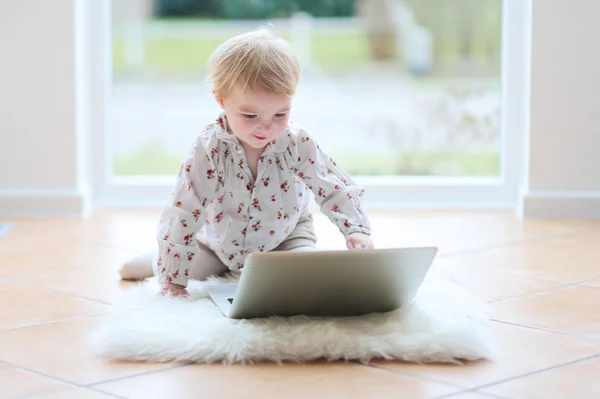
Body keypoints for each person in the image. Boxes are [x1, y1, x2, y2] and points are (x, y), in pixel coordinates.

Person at [120, 28, 374, 297]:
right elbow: (184, 209)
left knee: (304, 280)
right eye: (250, 115)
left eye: (280, 113)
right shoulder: (209, 149)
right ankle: (157, 260)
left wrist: (356, 230)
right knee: (176, 273)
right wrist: (172, 278)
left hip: (285, 238)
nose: (267, 127)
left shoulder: (296, 142)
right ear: (221, 100)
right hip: (218, 242)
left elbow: (333, 186)